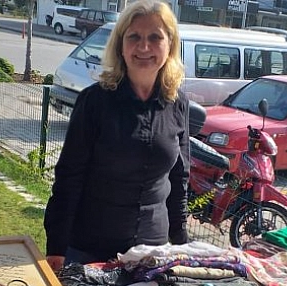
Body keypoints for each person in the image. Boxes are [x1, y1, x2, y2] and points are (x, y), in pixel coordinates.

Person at [44, 0, 190, 272]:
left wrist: (181, 241)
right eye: (134, 37)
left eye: (155, 37)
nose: (144, 47)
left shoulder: (178, 102)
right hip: (90, 251)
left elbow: (179, 176)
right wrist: (56, 246)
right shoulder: (94, 102)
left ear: (170, 45)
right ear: (120, 45)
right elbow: (69, 178)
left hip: (152, 254)